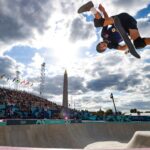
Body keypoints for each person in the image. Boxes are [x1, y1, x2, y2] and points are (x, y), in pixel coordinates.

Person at [78, 1, 150, 53]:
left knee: (99, 23)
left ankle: (91, 8)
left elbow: (106, 20)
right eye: (104, 48)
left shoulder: (103, 34)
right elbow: (122, 48)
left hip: (121, 19)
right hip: (130, 26)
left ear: (100, 43)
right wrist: (128, 44)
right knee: (138, 43)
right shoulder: (111, 46)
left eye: (101, 46)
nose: (103, 47)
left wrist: (103, 11)